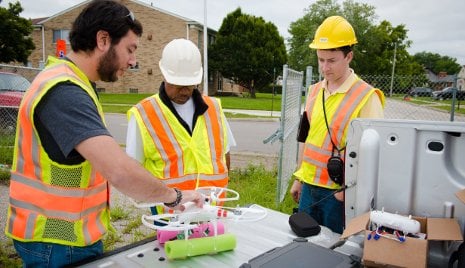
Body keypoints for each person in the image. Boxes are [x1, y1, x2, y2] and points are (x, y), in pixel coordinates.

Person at [4, 1, 203, 266]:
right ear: (103, 40)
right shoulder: (65, 92)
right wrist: (174, 196)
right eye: (130, 49)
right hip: (58, 243)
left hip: (62, 239)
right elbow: (118, 170)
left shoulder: (71, 81)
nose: (133, 61)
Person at [290, 16, 385, 234]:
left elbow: (374, 154)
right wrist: (299, 178)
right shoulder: (314, 91)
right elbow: (305, 138)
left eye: (331, 60)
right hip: (309, 188)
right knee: (303, 243)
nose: (324, 67)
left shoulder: (366, 97)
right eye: (320, 59)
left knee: (333, 249)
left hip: (339, 194)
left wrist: (350, 191)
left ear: (349, 56)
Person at [126, 38, 236, 217]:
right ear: (165, 75)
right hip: (170, 216)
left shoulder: (214, 108)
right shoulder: (144, 114)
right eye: (179, 84)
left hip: (212, 211)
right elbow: (133, 170)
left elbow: (225, 154)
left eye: (190, 84)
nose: (185, 90)